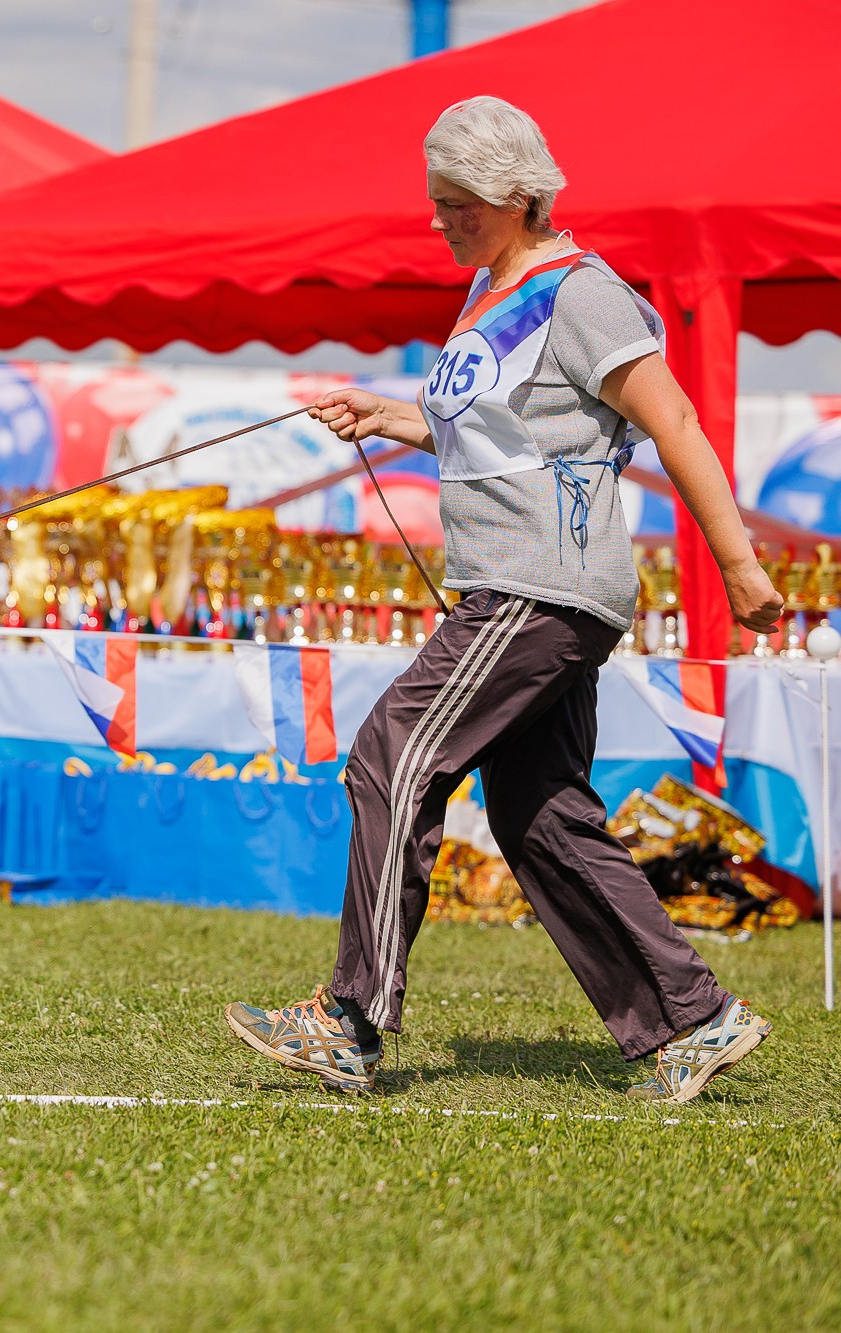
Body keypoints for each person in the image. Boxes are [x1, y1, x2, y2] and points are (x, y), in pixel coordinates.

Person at [224, 96, 785, 1104]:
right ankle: (692, 1020)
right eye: (436, 203)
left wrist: (736, 563)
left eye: (460, 206)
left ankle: (348, 1020)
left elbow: (675, 423)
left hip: (541, 585)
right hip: (521, 581)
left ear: (521, 197)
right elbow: (502, 440)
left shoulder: (580, 294)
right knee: (539, 815)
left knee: (393, 750)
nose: (442, 221)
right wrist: (387, 414)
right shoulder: (491, 291)